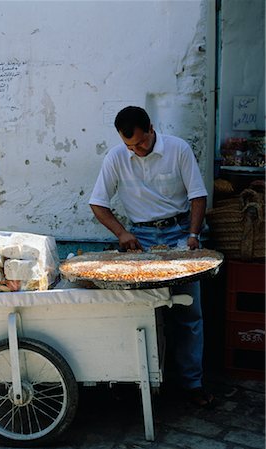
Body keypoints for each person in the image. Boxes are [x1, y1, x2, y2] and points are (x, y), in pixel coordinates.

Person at [89, 106, 214, 408]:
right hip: (140, 242)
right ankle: (134, 380)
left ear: (151, 128)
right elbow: (98, 203)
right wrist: (122, 233)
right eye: (129, 145)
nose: (137, 150)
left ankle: (191, 383)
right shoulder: (117, 157)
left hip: (179, 234)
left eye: (141, 143)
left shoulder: (178, 149)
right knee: (136, 312)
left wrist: (193, 236)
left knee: (189, 313)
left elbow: (198, 195)